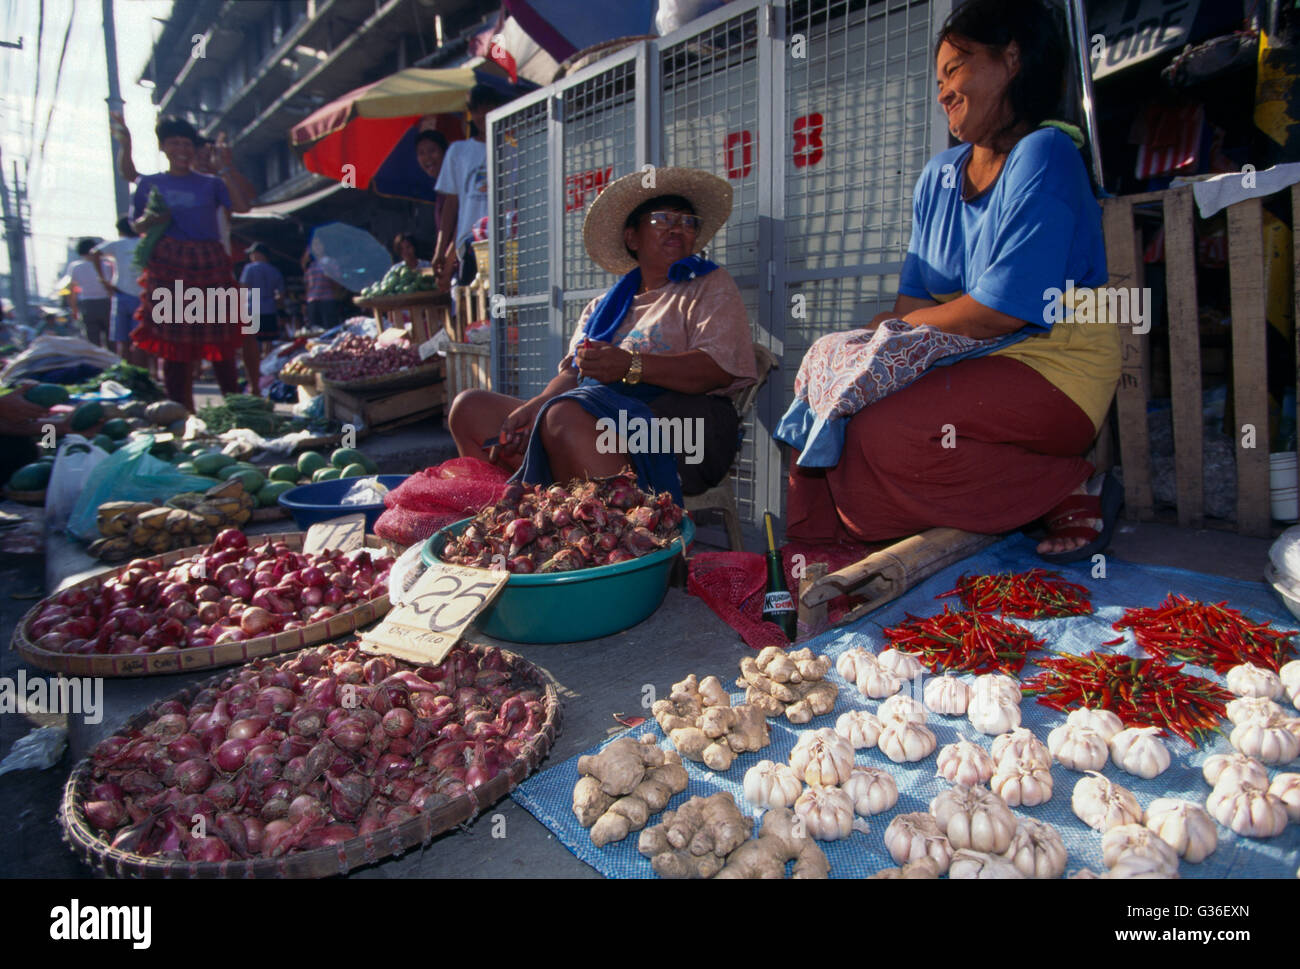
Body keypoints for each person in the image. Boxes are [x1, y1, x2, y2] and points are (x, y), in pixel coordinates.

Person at [783, 0, 1121, 564]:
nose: (942, 90)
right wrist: (874, 343)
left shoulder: (1046, 153)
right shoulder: (937, 177)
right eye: (938, 77)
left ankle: (1063, 486)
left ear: (1011, 58)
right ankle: (820, 550)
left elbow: (1000, 311)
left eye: (956, 67)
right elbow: (913, 301)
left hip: (1053, 360)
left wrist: (893, 332)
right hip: (962, 355)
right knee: (833, 398)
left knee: (888, 436)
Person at [448, 167, 757, 500]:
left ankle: (618, 534)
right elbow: (574, 373)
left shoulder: (708, 286)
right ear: (632, 238)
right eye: (662, 219)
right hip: (595, 425)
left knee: (563, 417)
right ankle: (521, 518)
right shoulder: (602, 307)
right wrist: (535, 407)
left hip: (680, 434)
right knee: (470, 408)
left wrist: (630, 366)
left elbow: (717, 369)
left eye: (687, 222)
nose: (677, 229)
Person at [129, 115, 252, 412]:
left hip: (209, 262)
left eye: (187, 143)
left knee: (221, 337)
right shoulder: (149, 183)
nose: (182, 149)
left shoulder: (211, 183)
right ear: (163, 147)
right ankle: (179, 414)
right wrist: (151, 220)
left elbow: (243, 206)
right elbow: (136, 225)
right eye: (174, 143)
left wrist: (224, 167)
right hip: (169, 265)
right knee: (175, 344)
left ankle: (236, 409)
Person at [433, 85, 508, 290]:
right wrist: (440, 251)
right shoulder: (459, 151)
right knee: (477, 308)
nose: (483, 115)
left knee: (503, 308)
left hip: (507, 243)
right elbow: (452, 204)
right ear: (471, 113)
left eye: (488, 108)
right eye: (477, 110)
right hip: (470, 246)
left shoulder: (514, 149)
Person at [92, 217, 143, 363]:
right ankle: (143, 372)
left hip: (121, 293)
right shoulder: (144, 243)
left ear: (119, 230)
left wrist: (103, 280)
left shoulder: (117, 245)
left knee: (123, 340)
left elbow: (95, 253)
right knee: (141, 339)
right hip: (143, 294)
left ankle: (126, 371)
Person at [238, 242, 285, 397]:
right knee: (268, 344)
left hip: (252, 307)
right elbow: (281, 295)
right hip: (269, 308)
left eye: (252, 253)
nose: (251, 257)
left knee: (251, 344)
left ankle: (253, 380)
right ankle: (266, 373)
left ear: (259, 254)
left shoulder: (249, 268)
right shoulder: (275, 271)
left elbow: (243, 288)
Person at [65, 239, 112, 349]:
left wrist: (74, 309)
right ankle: (113, 362)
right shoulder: (107, 265)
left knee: (92, 339)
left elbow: (72, 289)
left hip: (87, 304)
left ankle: (97, 363)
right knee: (111, 337)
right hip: (107, 302)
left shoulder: (75, 267)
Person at [302, 243, 343, 333]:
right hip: (312, 301)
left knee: (330, 330)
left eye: (318, 245)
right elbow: (307, 285)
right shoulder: (310, 266)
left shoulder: (330, 262)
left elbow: (338, 281)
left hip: (327, 300)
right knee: (314, 331)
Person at [415, 129, 449, 231]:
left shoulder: (453, 185)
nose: (427, 158)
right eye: (421, 153)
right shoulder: (440, 189)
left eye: (432, 151)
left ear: (445, 152)